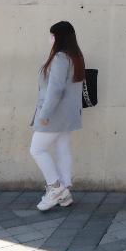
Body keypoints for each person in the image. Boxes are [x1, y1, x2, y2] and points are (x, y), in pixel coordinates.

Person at [30, 20, 86, 211]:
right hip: (67, 115)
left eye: (52, 35)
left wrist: (44, 115)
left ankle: (55, 188)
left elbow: (55, 89)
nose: (50, 38)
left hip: (54, 114)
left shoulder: (61, 58)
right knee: (62, 148)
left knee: (37, 149)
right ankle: (65, 192)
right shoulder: (75, 56)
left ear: (59, 38)